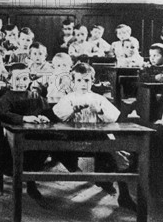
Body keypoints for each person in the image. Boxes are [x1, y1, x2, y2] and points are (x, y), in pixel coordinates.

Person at [52, 63, 137, 211]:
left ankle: (124, 195)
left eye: (87, 80)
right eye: (79, 80)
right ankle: (82, 172)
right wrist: (72, 110)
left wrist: (100, 111)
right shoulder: (69, 98)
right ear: (73, 82)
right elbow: (59, 114)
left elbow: (113, 117)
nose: (83, 84)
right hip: (74, 136)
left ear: (93, 81)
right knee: (56, 142)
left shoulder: (98, 98)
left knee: (115, 150)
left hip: (95, 136)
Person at [0, 63, 56, 199]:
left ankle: (31, 181)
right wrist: (24, 118)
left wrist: (43, 116)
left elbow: (47, 111)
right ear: (9, 80)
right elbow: (5, 114)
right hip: (15, 137)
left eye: (24, 79)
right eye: (17, 79)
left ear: (29, 79)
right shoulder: (6, 98)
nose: (21, 83)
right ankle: (30, 183)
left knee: (45, 145)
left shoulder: (35, 96)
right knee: (26, 152)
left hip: (35, 136)